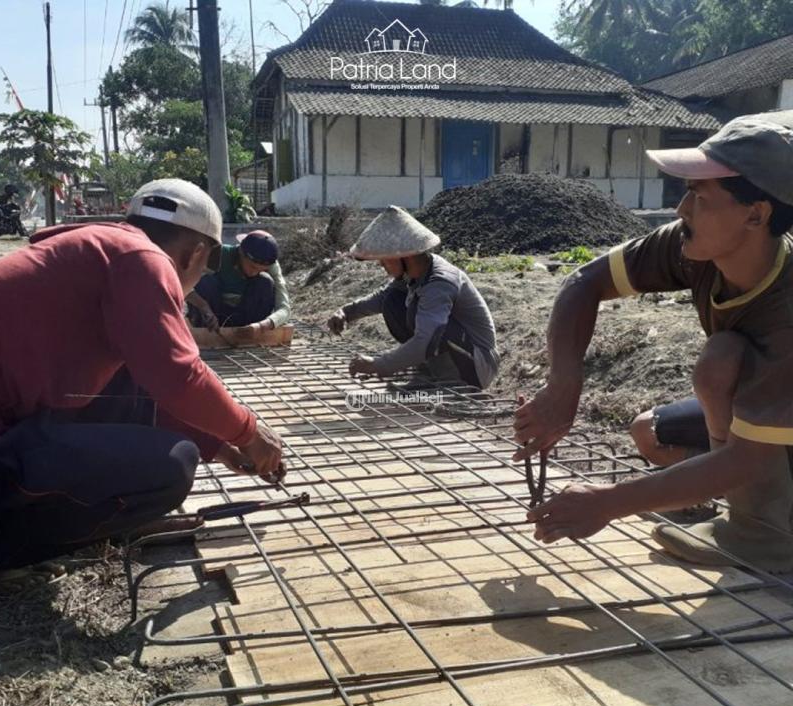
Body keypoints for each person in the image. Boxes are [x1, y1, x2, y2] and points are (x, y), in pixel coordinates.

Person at [514, 110, 793, 573]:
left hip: (779, 424)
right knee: (651, 431)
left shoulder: (787, 311)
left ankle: (765, 533)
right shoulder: (696, 248)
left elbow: (748, 457)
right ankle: (737, 498)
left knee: (722, 361)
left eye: (699, 196)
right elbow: (585, 282)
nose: (682, 210)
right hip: (765, 418)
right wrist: (564, 387)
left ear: (756, 214)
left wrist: (607, 503)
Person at [0, 178, 285, 573]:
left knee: (134, 390)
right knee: (173, 466)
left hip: (9, 425)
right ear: (195, 252)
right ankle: (7, 545)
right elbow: (178, 374)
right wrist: (248, 432)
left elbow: (145, 383)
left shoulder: (102, 251)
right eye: (207, 264)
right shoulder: (141, 258)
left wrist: (216, 445)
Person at [327, 206, 500, 390]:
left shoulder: (439, 282)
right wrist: (346, 312)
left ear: (404, 256)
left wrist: (378, 364)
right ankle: (431, 374)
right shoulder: (414, 274)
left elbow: (426, 340)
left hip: (477, 366)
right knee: (393, 301)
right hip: (462, 356)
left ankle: (451, 381)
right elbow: (383, 298)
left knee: (426, 319)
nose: (381, 264)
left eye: (385, 259)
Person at [186, 229, 291, 333]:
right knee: (206, 282)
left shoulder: (271, 266)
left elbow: (284, 308)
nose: (254, 273)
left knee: (266, 282)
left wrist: (265, 324)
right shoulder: (218, 254)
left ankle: (249, 334)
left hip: (246, 318)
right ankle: (205, 332)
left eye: (261, 269)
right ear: (241, 252)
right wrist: (203, 306)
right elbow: (180, 285)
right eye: (252, 267)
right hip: (214, 314)